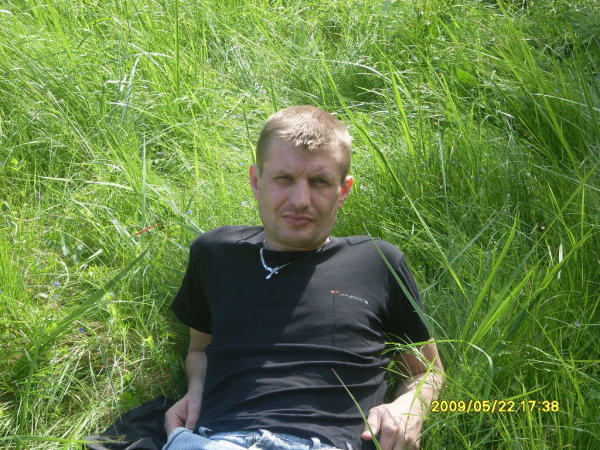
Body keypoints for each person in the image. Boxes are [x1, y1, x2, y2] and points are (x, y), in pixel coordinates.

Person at [163, 106, 444, 450]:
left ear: (343, 190)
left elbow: (427, 370)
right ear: (256, 181)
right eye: (284, 179)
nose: (300, 200)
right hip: (217, 441)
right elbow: (200, 348)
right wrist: (196, 390)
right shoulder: (215, 253)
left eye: (319, 182)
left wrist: (410, 407)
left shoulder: (377, 261)